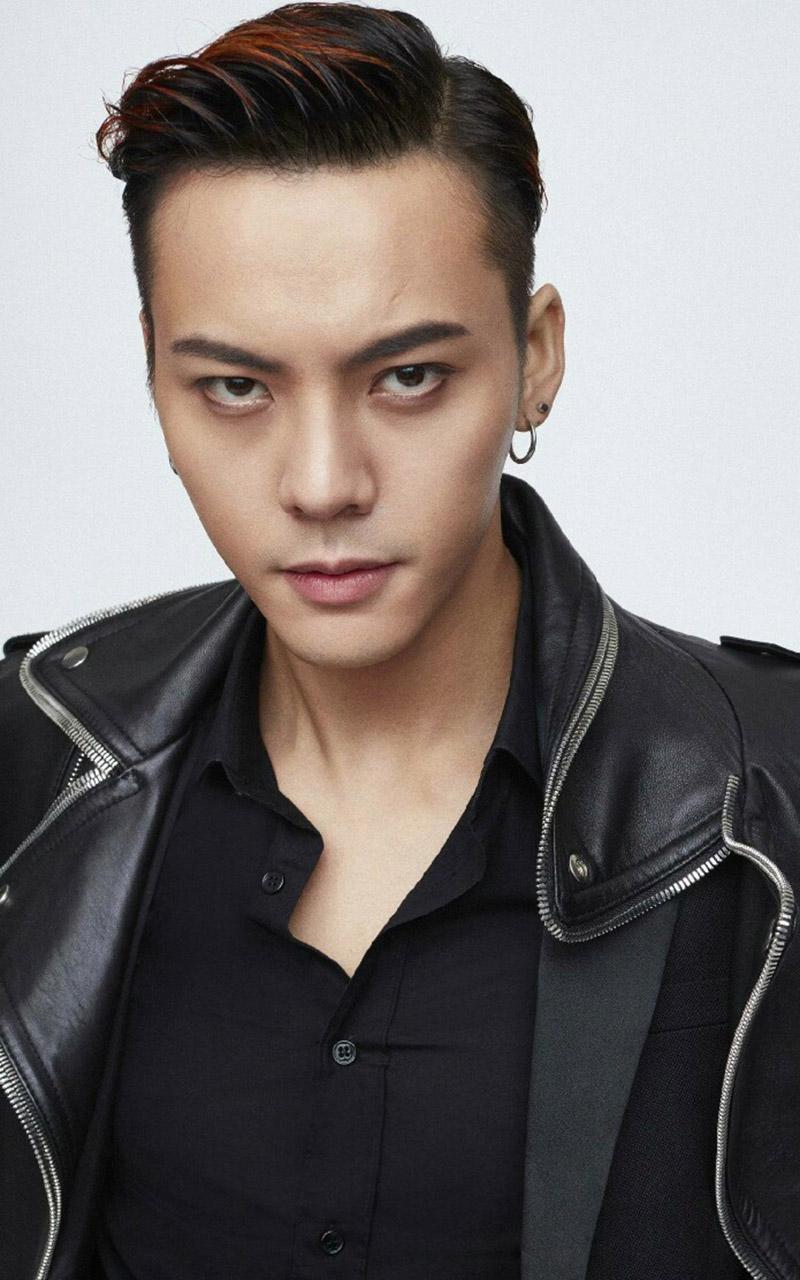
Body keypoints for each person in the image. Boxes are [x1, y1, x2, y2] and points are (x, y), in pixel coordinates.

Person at [0, 4, 797, 1278]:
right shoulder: (31, 763)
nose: (322, 482)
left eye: (407, 376)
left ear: (533, 357)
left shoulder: (764, 795)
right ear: (153, 374)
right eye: (235, 386)